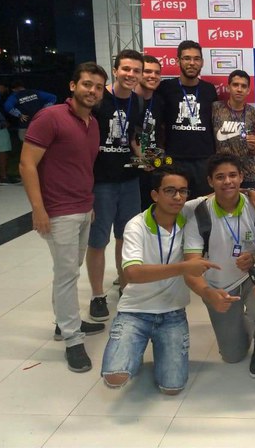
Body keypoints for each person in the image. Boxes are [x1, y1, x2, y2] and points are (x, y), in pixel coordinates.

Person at [19, 62, 109, 373]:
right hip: (58, 211)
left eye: (98, 87)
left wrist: (89, 205)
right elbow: (26, 164)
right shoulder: (50, 117)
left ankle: (64, 322)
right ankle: (72, 339)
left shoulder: (92, 124)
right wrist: (38, 209)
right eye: (87, 84)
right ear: (73, 86)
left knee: (68, 270)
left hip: (83, 207)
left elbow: (82, 167)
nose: (92, 91)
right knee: (68, 274)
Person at [101, 167, 215, 394]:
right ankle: (135, 347)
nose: (178, 197)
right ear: (155, 194)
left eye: (183, 191)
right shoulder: (136, 225)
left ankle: (154, 349)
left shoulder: (187, 213)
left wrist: (252, 193)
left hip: (172, 313)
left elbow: (219, 193)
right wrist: (183, 267)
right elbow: (132, 273)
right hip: (135, 311)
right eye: (170, 191)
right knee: (114, 378)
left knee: (172, 387)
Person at [182, 153, 255, 378]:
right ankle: (242, 322)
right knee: (232, 355)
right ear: (210, 181)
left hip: (254, 278)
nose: (227, 181)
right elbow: (190, 268)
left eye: (232, 175)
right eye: (220, 177)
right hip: (219, 285)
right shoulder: (198, 213)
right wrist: (208, 293)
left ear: (241, 177)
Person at [85, 49, 144, 322]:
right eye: (126, 69)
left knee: (126, 237)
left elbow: (133, 139)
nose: (131, 74)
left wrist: (144, 158)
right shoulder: (99, 100)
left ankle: (125, 286)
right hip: (101, 183)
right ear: (116, 70)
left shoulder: (137, 101)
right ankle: (97, 296)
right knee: (98, 240)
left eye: (136, 70)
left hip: (129, 180)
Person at [157, 40, 218, 197]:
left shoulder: (209, 90)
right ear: (178, 61)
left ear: (202, 62)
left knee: (203, 206)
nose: (192, 63)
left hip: (204, 159)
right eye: (187, 58)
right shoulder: (165, 88)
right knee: (174, 204)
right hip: (174, 158)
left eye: (196, 59)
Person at [212, 70, 255, 189]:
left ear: (248, 90)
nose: (239, 89)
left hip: (247, 174)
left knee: (249, 202)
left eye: (243, 86)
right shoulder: (215, 109)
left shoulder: (253, 113)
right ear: (228, 87)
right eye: (235, 85)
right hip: (223, 174)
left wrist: (254, 146)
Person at [135, 54, 165, 211]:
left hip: (154, 169)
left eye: (157, 72)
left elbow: (162, 132)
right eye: (147, 71)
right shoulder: (128, 100)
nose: (152, 76)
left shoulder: (160, 102)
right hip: (131, 172)